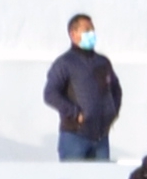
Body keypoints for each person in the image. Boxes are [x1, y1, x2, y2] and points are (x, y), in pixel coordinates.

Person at [43, 11, 120, 160]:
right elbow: (50, 94)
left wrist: (112, 112)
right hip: (75, 137)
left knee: (101, 175)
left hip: (101, 138)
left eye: (92, 30)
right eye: (87, 30)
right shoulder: (65, 63)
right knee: (74, 174)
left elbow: (116, 89)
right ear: (73, 34)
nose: (92, 34)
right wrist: (75, 113)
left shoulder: (102, 61)